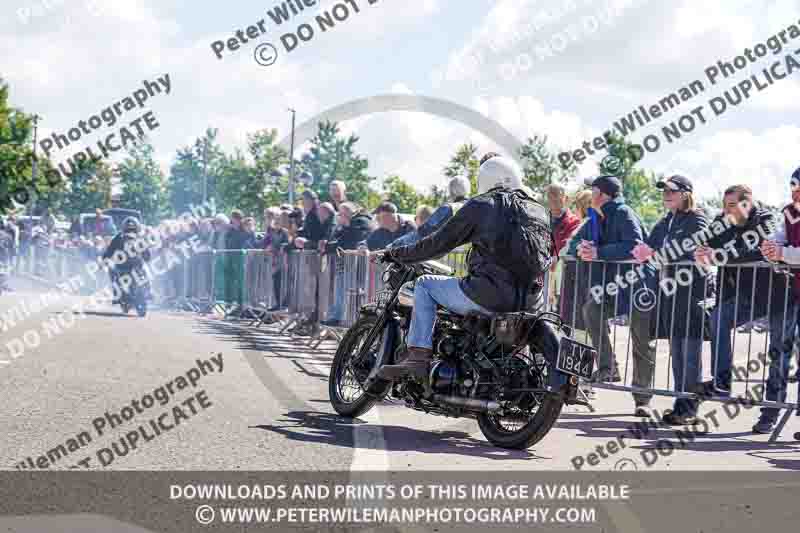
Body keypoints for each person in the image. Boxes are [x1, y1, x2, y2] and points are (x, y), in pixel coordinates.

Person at [376, 156, 554, 382]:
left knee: (424, 285)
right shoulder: (538, 210)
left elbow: (437, 244)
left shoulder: (483, 205)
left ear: (485, 180)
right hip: (531, 301)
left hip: (488, 294)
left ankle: (417, 359)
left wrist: (396, 253)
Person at [695, 184, 793, 405]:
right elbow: (705, 242)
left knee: (778, 352)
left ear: (747, 204)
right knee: (718, 318)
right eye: (724, 205)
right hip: (747, 295)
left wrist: (720, 255)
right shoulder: (722, 220)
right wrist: (701, 250)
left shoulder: (766, 219)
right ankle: (721, 383)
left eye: (731, 205)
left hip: (778, 295)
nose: (726, 210)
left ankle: (772, 408)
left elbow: (760, 251)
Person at [629, 175, 711, 422]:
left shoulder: (697, 218)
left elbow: (686, 248)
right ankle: (681, 405)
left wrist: (653, 254)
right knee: (678, 354)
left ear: (686, 194)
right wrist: (642, 251)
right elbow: (646, 245)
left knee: (689, 355)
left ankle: (689, 409)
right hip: (671, 294)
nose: (666, 194)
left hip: (692, 293)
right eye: (664, 191)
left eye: (672, 191)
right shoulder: (667, 220)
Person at [576, 175, 648, 383]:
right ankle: (608, 368)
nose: (591, 194)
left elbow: (635, 245)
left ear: (602, 194)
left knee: (641, 343)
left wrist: (598, 252)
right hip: (617, 287)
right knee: (592, 310)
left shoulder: (623, 212)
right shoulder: (601, 215)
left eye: (594, 190)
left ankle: (642, 393)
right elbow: (586, 244)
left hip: (638, 288)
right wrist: (584, 248)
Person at [753, 170, 800, 433]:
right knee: (778, 354)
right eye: (793, 186)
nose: (795, 192)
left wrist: (782, 253)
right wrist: (770, 247)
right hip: (789, 293)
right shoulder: (790, 212)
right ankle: (770, 411)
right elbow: (779, 237)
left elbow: (786, 251)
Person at [321, 202, 374, 327]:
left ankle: (343, 318)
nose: (339, 216)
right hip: (347, 264)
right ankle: (337, 316)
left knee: (350, 292)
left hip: (358, 265)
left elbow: (350, 242)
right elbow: (335, 241)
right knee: (341, 289)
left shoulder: (361, 221)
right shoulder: (347, 224)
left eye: (342, 214)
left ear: (349, 213)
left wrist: (333, 244)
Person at [102, 217, 152, 304]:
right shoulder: (119, 237)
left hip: (136, 264)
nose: (130, 231)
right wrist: (106, 257)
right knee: (112, 271)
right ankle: (117, 293)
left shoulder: (139, 237)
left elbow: (146, 251)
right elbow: (110, 249)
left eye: (132, 229)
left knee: (147, 271)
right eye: (129, 229)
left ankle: (149, 291)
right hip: (122, 265)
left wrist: (147, 257)